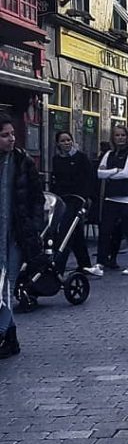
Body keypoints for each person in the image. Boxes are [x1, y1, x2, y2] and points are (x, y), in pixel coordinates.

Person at [0, 116, 45, 358]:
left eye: (12, 134)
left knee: (8, 283)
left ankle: (2, 333)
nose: (11, 139)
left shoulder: (22, 161)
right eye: (5, 135)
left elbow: (37, 197)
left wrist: (34, 226)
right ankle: (11, 338)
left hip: (17, 234)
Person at [96, 125, 128, 275]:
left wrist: (109, 174)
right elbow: (99, 173)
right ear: (113, 138)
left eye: (123, 135)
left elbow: (126, 173)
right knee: (105, 231)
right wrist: (114, 171)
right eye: (117, 135)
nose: (120, 138)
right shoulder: (109, 154)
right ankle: (100, 263)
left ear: (127, 137)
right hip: (111, 198)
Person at [51, 130, 101, 277]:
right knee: (75, 231)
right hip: (63, 199)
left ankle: (59, 267)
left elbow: (89, 178)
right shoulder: (56, 159)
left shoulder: (81, 157)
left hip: (78, 198)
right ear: (58, 144)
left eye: (68, 140)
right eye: (63, 141)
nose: (66, 143)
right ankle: (85, 264)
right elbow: (57, 179)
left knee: (66, 231)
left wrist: (87, 197)